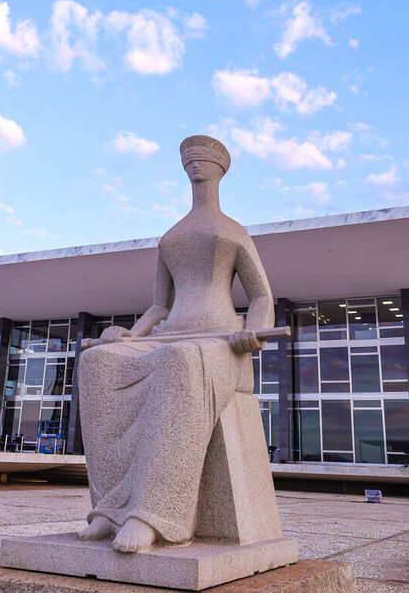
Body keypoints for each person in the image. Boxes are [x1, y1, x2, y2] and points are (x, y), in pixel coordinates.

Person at [76, 135, 275, 553]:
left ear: (220, 169)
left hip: (223, 343)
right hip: (171, 336)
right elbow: (158, 306)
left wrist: (253, 331)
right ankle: (110, 510)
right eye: (189, 159)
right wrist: (130, 334)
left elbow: (260, 296)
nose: (195, 165)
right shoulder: (171, 237)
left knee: (181, 361)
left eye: (203, 159)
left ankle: (152, 515)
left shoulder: (233, 231)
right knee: (98, 364)